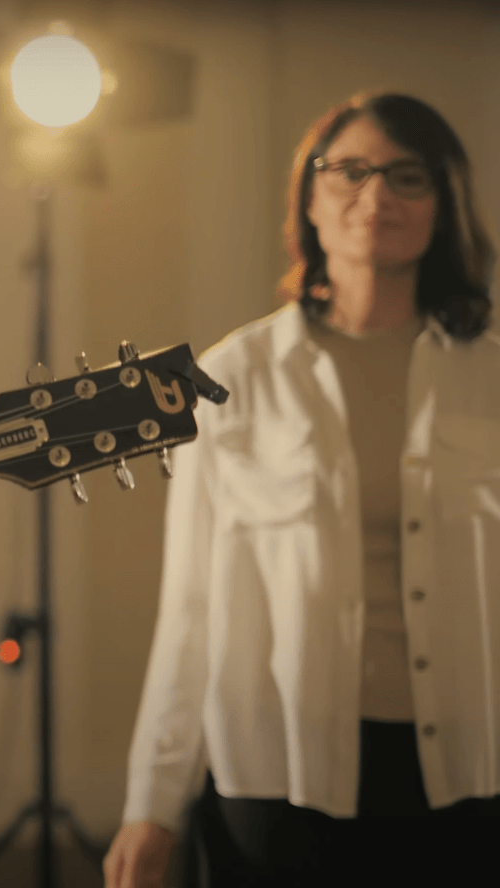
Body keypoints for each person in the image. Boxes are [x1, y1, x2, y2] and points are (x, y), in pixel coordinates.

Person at [104, 92, 500, 888]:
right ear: (310, 201)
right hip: (276, 771)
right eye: (350, 171)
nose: (376, 196)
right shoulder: (230, 378)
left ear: (442, 205)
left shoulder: (490, 374)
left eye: (407, 176)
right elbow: (190, 609)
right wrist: (152, 802)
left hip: (467, 768)